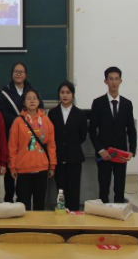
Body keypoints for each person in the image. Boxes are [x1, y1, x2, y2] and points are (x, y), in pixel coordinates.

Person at [0, 62, 44, 203]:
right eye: (16, 71)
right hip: (10, 135)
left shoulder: (32, 91)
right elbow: (1, 112)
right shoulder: (5, 92)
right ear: (12, 74)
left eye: (21, 71)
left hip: (29, 140)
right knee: (10, 170)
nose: (18, 74)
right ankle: (8, 200)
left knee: (25, 176)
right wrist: (18, 122)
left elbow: (40, 110)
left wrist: (26, 124)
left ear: (26, 74)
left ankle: (22, 200)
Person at [89, 67, 137, 204]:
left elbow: (131, 130)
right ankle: (103, 213)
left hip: (121, 154)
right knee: (103, 188)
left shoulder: (127, 104)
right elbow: (92, 130)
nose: (114, 82)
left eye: (116, 79)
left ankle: (119, 213)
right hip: (104, 154)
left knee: (119, 188)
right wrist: (100, 150)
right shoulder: (98, 103)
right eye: (111, 79)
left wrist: (131, 151)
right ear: (105, 81)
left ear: (121, 81)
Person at [9, 88, 56, 211]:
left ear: (39, 101)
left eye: (35, 98)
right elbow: (12, 146)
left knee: (39, 204)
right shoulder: (18, 122)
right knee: (23, 204)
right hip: (23, 168)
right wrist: (12, 166)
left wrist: (52, 165)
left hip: (42, 167)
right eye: (28, 98)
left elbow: (51, 144)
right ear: (24, 102)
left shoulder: (46, 120)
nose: (32, 101)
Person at [48, 81, 87, 211]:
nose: (65, 95)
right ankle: (61, 215)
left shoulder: (80, 114)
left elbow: (82, 135)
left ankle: (74, 215)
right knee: (60, 190)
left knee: (74, 190)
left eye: (68, 92)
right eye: (62, 92)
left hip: (74, 158)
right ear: (59, 94)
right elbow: (50, 135)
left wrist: (70, 145)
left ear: (73, 94)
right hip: (58, 158)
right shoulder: (52, 113)